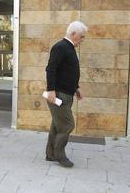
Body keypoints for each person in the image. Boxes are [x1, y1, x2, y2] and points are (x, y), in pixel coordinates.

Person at [44, 21, 87, 168]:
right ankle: (59, 155)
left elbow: (67, 72)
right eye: (81, 37)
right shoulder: (60, 47)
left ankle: (50, 154)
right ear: (73, 33)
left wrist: (76, 88)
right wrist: (51, 90)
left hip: (66, 94)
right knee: (67, 124)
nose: (82, 40)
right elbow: (51, 69)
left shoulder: (69, 48)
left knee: (57, 125)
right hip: (58, 95)